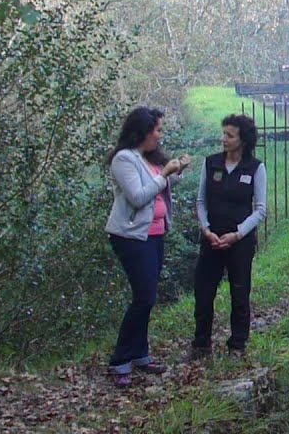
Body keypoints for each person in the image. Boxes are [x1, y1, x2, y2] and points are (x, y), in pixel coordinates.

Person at [104, 107, 190, 388]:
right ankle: (120, 359)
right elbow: (139, 197)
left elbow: (160, 187)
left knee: (149, 295)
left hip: (154, 235)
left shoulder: (148, 158)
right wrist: (164, 173)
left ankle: (140, 353)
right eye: (157, 130)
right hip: (131, 236)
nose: (160, 136)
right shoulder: (124, 159)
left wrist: (176, 172)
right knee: (144, 297)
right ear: (142, 132)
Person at [193, 113, 267, 358]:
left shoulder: (255, 168)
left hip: (239, 243)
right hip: (211, 239)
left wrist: (238, 234)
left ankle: (237, 343)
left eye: (229, 135)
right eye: (223, 134)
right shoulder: (210, 163)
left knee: (239, 291)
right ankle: (201, 343)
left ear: (242, 140)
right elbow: (201, 201)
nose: (223, 139)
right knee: (204, 292)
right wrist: (206, 229)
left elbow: (260, 209)